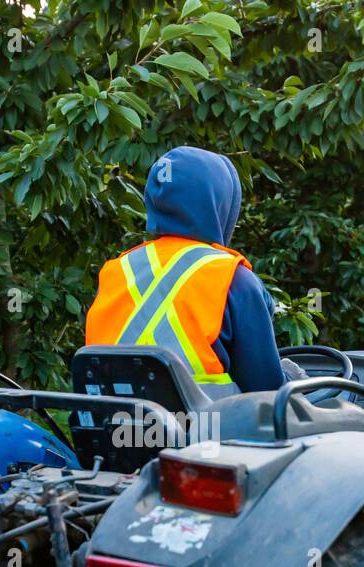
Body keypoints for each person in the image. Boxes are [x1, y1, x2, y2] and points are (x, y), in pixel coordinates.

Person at [84, 146, 301, 398]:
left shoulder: (116, 270)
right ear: (219, 203)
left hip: (113, 432)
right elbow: (267, 391)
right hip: (208, 432)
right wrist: (294, 378)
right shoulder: (233, 278)